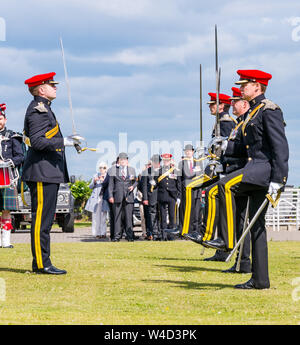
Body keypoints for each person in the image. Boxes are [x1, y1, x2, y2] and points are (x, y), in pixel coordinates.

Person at [204, 69, 289, 289]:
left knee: (224, 185)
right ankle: (260, 279)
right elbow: (243, 148)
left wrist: (279, 179)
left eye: (245, 85)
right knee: (256, 226)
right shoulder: (252, 112)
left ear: (258, 87)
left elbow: (280, 147)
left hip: (262, 170)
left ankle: (227, 240)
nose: (241, 89)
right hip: (252, 169)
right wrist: (223, 147)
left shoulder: (270, 110)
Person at [187, 87, 252, 273]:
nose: (232, 105)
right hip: (230, 171)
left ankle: (239, 257)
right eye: (231, 101)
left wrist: (224, 159)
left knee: (240, 221)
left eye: (235, 101)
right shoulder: (238, 123)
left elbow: (244, 151)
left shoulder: (230, 123)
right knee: (236, 220)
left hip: (239, 173)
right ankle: (238, 259)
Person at [22, 72, 81, 274]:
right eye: (51, 85)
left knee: (45, 220)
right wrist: (64, 142)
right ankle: (41, 263)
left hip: (47, 171)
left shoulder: (45, 109)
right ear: (41, 89)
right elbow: (37, 142)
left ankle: (42, 261)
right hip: (41, 171)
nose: (55, 88)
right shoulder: (38, 111)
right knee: (41, 220)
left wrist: (68, 141)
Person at [183, 92, 236, 262]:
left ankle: (205, 235)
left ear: (222, 106)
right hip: (218, 168)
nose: (210, 106)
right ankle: (218, 249)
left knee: (219, 206)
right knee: (219, 209)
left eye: (213, 104)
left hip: (224, 170)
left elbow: (228, 147)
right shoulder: (219, 122)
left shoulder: (226, 122)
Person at [0, 103, 24, 248]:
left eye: (0, 118)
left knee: (6, 211)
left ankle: (5, 241)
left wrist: (7, 163)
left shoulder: (12, 136)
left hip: (7, 178)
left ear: (5, 120)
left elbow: (20, 157)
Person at [108, 152, 138, 242]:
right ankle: (117, 237)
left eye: (124, 159)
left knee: (129, 217)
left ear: (127, 161)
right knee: (117, 217)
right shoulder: (113, 170)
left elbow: (136, 181)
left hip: (129, 197)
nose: (123, 161)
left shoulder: (132, 170)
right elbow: (110, 185)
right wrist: (110, 196)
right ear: (119, 161)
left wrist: (133, 186)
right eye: (121, 160)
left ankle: (130, 236)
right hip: (117, 196)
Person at [177, 144, 202, 235]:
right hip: (185, 192)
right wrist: (179, 195)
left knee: (196, 213)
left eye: (190, 151)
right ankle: (185, 232)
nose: (188, 152)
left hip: (196, 191)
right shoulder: (181, 164)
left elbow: (201, 177)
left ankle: (196, 232)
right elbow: (179, 180)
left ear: (193, 152)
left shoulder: (198, 162)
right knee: (185, 213)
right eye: (186, 151)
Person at [157, 154, 181, 237]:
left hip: (172, 196)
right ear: (163, 161)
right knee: (162, 217)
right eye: (165, 160)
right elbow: (156, 184)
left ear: (170, 160)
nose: (166, 162)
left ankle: (171, 236)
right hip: (162, 195)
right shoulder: (159, 171)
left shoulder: (175, 170)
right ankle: (163, 235)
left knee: (172, 217)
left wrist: (179, 197)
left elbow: (179, 184)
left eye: (168, 160)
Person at [85, 162, 109, 239]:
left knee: (103, 216)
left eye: (104, 168)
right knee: (96, 217)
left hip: (104, 198)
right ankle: (96, 233)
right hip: (96, 199)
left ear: (106, 169)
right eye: (101, 168)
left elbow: (109, 186)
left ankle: (103, 233)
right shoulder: (95, 175)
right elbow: (90, 186)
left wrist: (103, 181)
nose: (102, 169)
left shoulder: (108, 176)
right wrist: (95, 181)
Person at [141, 154, 161, 240]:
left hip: (161, 196)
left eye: (157, 162)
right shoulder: (146, 172)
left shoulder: (164, 171)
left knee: (161, 216)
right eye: (154, 162)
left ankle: (161, 233)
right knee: (152, 215)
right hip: (151, 197)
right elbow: (144, 186)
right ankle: (154, 233)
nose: (156, 163)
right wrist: (145, 198)